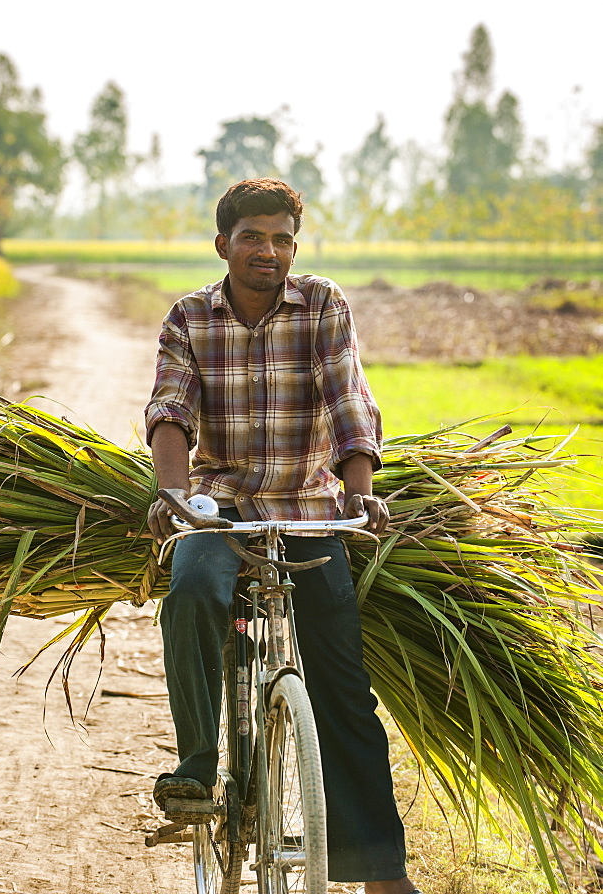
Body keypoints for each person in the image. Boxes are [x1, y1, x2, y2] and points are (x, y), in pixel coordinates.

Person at [145, 178, 423, 894]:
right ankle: (199, 768)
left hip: (308, 508)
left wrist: (360, 492)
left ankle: (381, 874)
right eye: (252, 237)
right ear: (223, 246)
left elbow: (347, 396)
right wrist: (176, 495)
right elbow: (171, 410)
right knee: (194, 590)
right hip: (223, 504)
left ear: (294, 247)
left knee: (343, 689)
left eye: (281, 239)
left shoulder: (323, 303)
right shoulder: (189, 318)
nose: (268, 251)